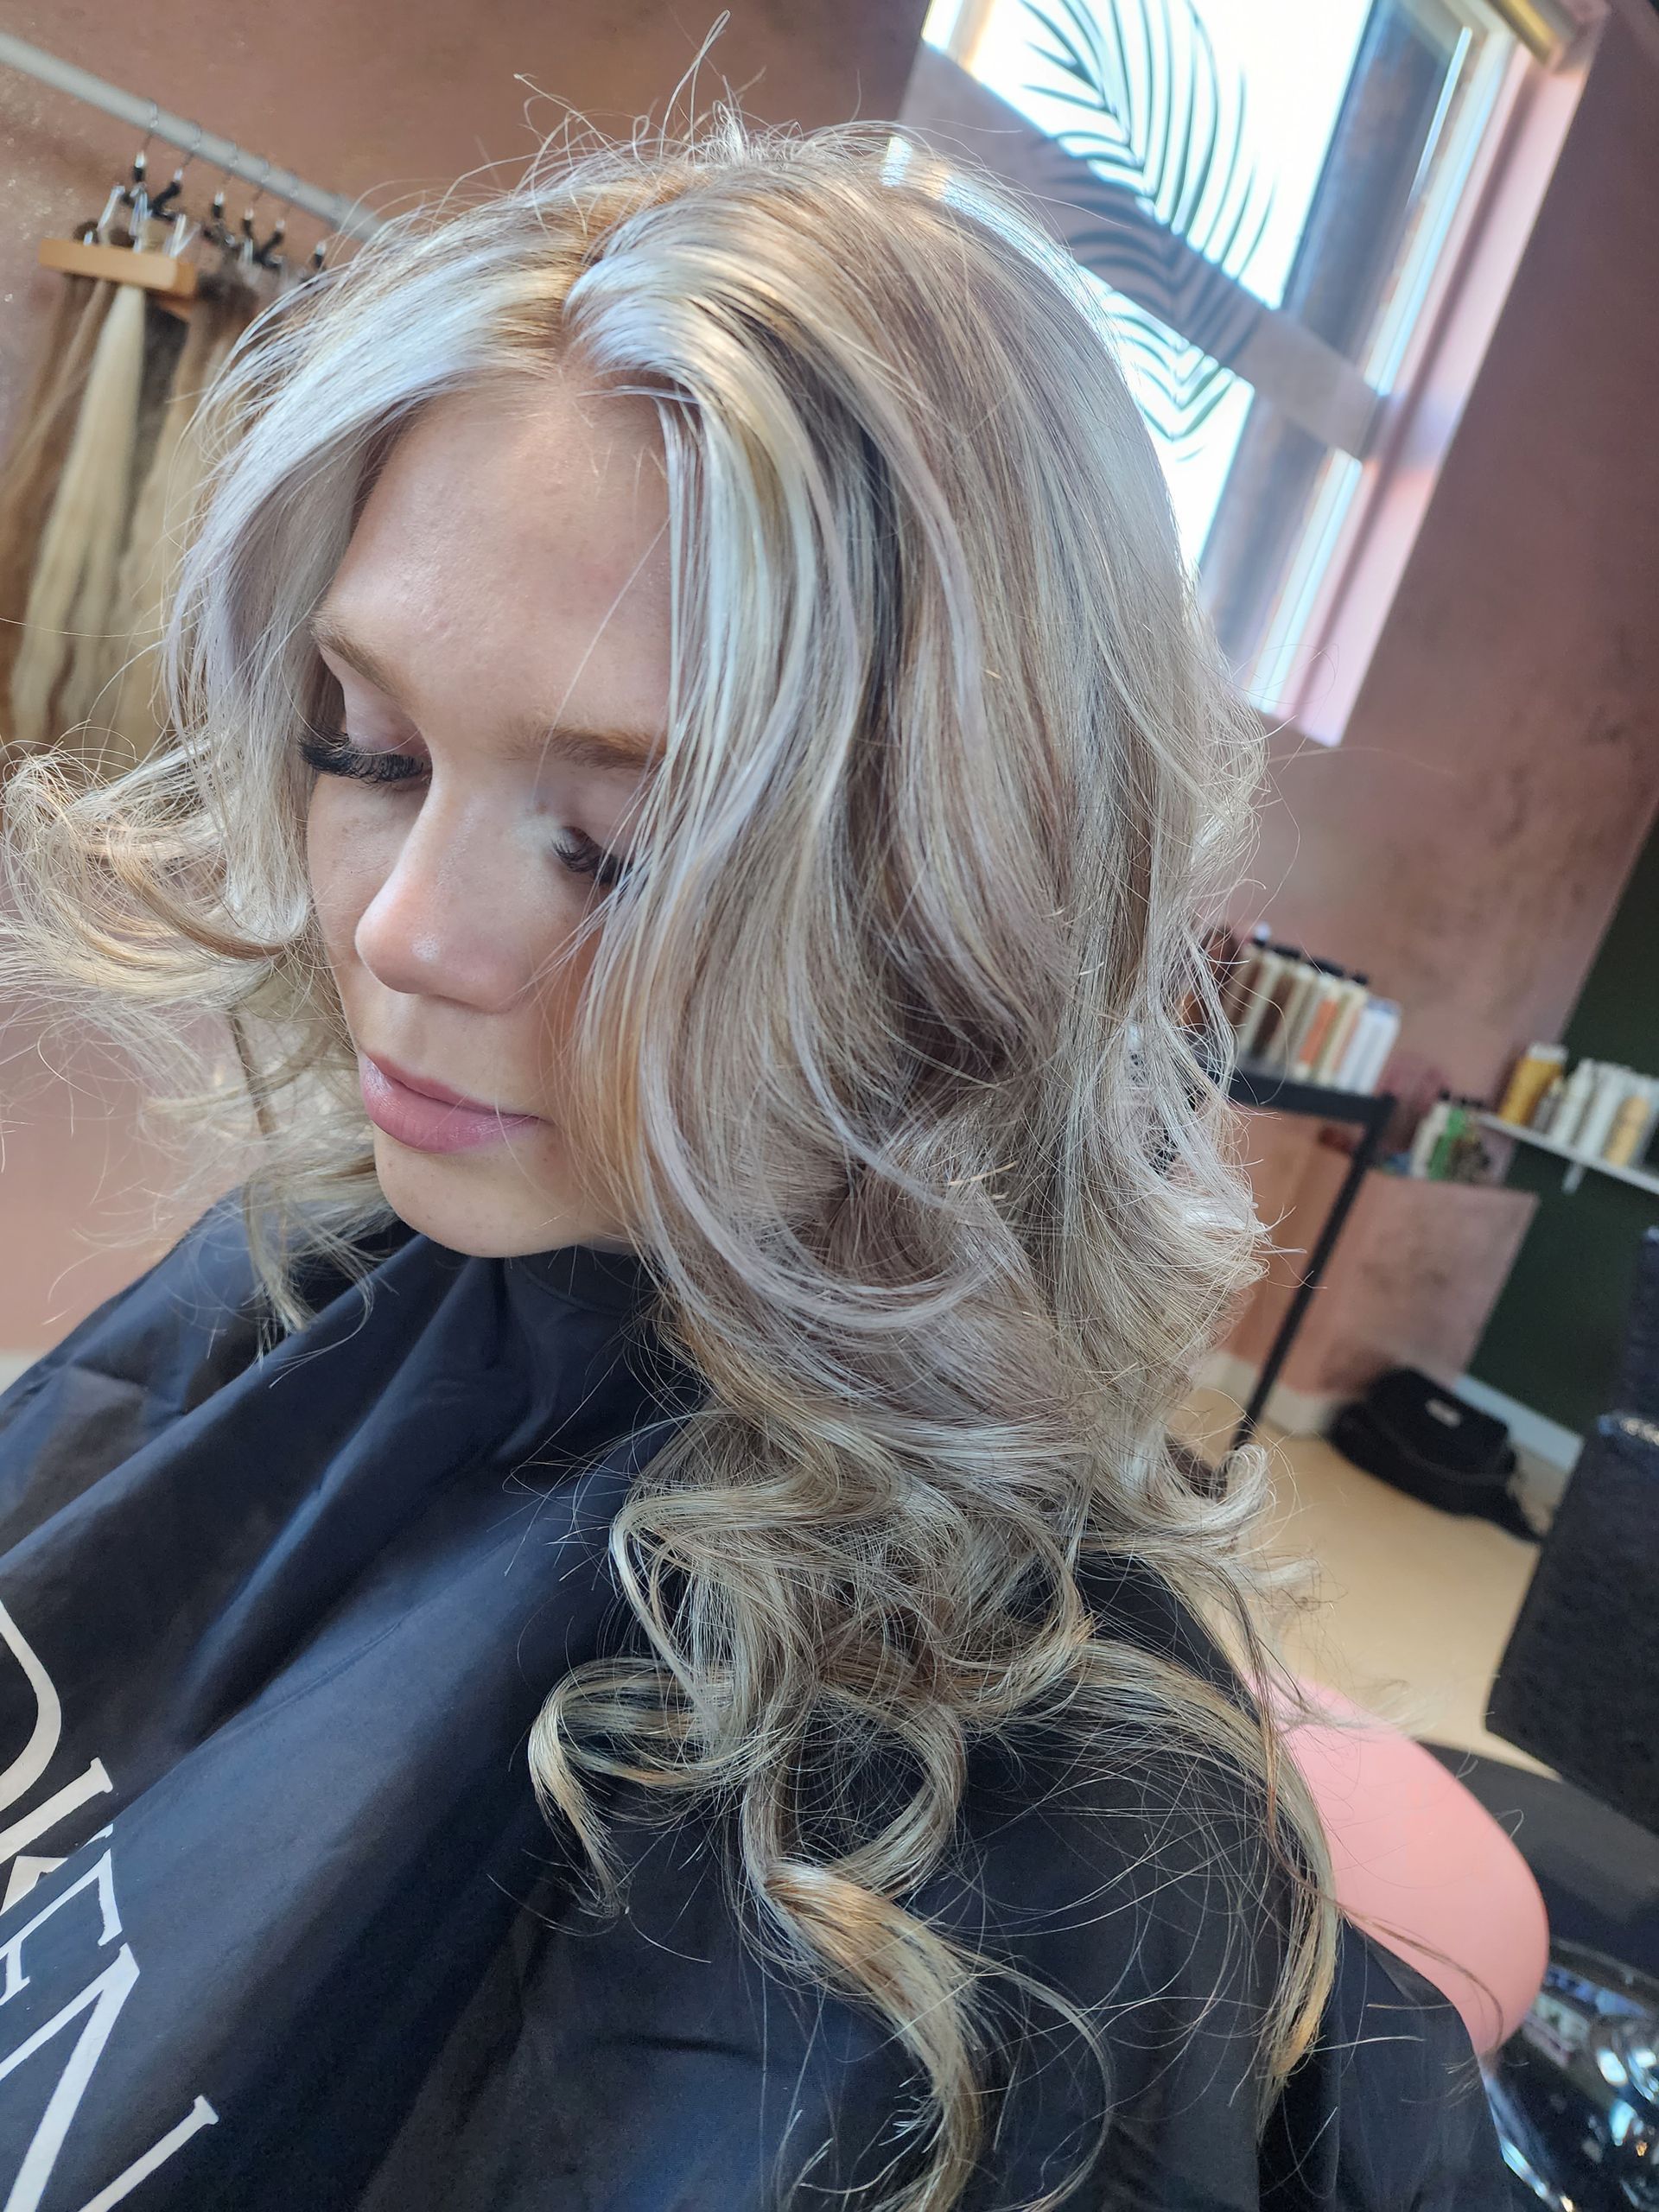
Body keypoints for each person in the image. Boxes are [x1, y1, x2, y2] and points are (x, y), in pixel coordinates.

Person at [0, 111, 1511, 2211]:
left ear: (974, 904)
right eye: (371, 744)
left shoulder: (1022, 1869)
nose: (401, 932)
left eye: (620, 841)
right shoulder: (344, 1275)